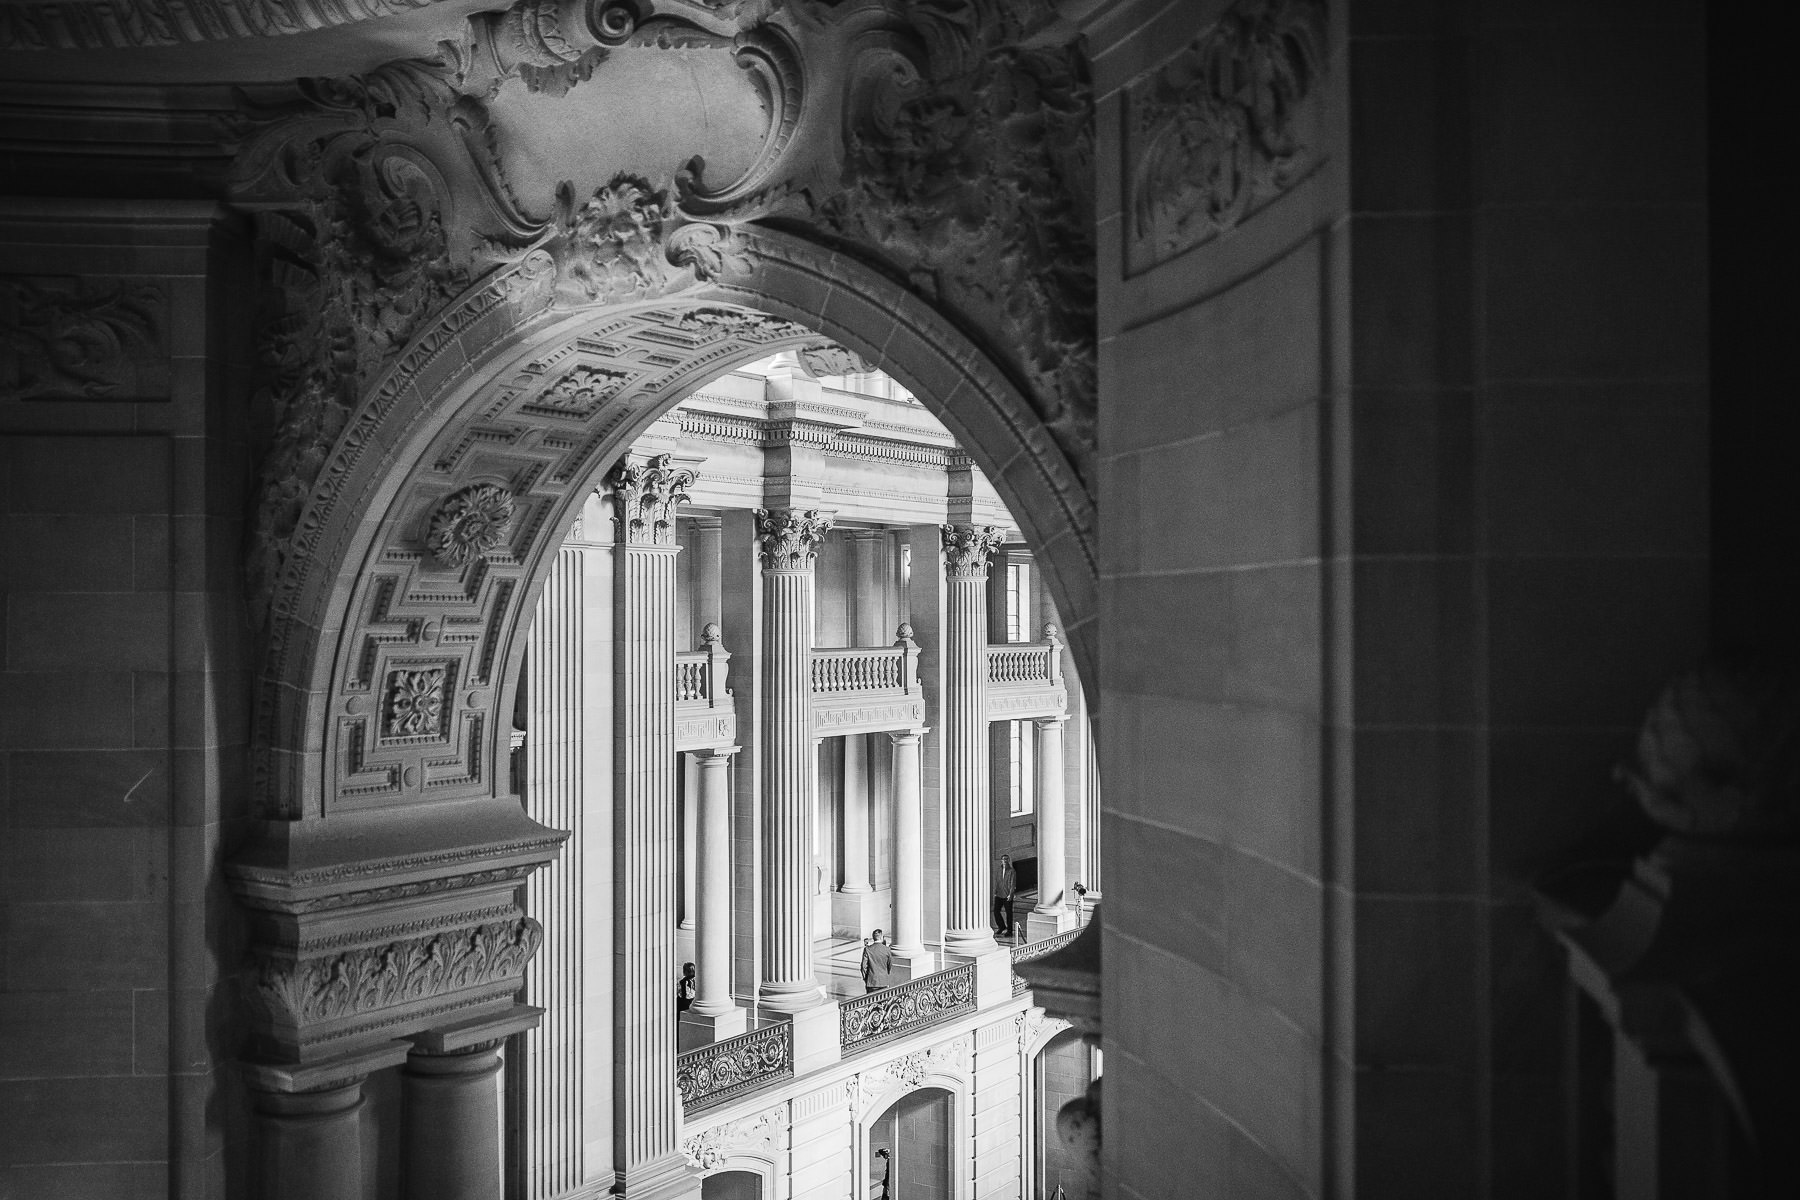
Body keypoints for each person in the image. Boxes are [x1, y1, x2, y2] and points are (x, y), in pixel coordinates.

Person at [992, 854, 1017, 938]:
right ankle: (1001, 926)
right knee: (996, 911)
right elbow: (997, 881)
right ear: (1001, 861)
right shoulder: (999, 869)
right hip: (999, 894)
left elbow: (1012, 884)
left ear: (1008, 860)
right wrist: (995, 891)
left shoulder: (1012, 871)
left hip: (1007, 895)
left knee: (1009, 913)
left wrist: (1011, 894)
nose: (1005, 861)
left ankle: (1009, 931)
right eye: (1003, 859)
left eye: (1006, 859)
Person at [860, 928, 893, 992]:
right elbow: (890, 965)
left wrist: (866, 978)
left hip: (871, 982)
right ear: (881, 937)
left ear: (873, 938)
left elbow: (863, 967)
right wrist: (886, 974)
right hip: (884, 981)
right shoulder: (887, 949)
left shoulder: (867, 949)